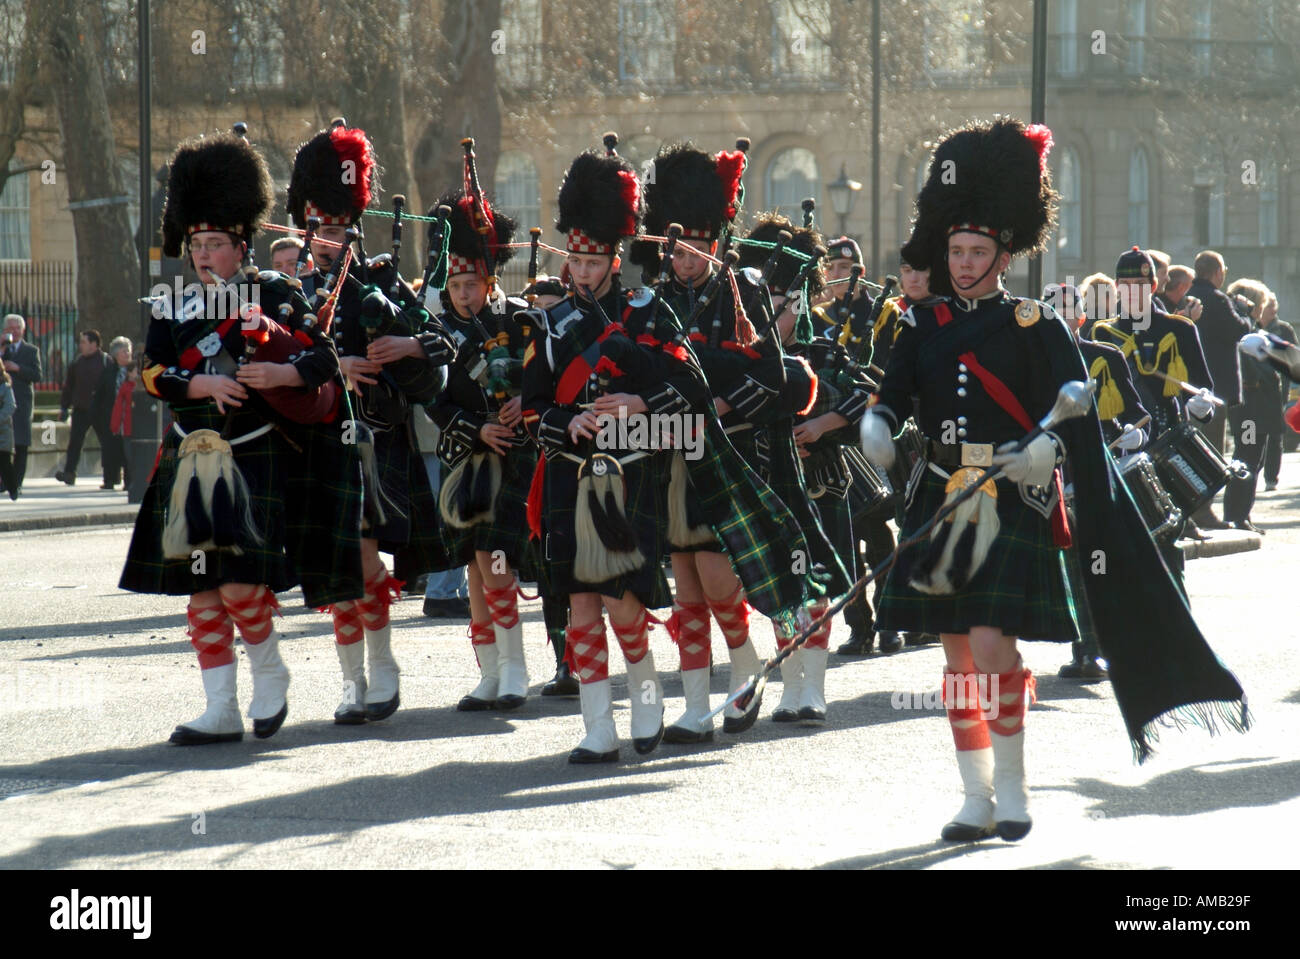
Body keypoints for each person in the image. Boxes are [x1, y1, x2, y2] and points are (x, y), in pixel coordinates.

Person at [859, 117, 1247, 843]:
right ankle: (975, 795)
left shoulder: (1036, 325)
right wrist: (878, 425)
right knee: (956, 656)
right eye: (956, 250)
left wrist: (1047, 449)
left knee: (991, 644)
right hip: (942, 494)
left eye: (977, 251)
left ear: (1004, 254)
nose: (965, 262)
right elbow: (893, 394)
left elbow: (1074, 412)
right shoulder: (921, 324)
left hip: (1009, 498)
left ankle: (1013, 784)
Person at [120, 131, 360, 745]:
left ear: (241, 244)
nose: (203, 255)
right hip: (189, 453)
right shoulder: (171, 304)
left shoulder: (275, 294)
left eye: (215, 244)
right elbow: (151, 372)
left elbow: (323, 360)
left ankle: (269, 670)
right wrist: (197, 386)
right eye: (196, 243)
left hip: (252, 453)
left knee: (238, 583)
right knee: (201, 588)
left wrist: (279, 371)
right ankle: (220, 708)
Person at [522, 141, 714, 762]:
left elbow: (691, 390)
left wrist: (638, 405)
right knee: (579, 607)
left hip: (629, 479)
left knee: (621, 604)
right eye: (573, 258)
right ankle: (596, 727)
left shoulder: (647, 312)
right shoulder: (548, 325)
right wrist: (566, 421)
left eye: (592, 258)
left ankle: (648, 697)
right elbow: (532, 409)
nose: (580, 270)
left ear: (612, 256)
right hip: (568, 481)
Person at [631, 141, 822, 739]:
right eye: (674, 245)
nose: (683, 258)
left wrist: (717, 400)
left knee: (718, 582)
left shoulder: (745, 290)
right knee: (685, 585)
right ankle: (695, 703)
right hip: (673, 457)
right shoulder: (653, 298)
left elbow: (774, 372)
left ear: (714, 240)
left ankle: (744, 669)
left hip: (734, 452)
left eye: (693, 246)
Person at [288, 120, 453, 725]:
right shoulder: (290, 291)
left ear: (352, 229)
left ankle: (382, 668)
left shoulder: (379, 282)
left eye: (337, 229)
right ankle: (351, 680)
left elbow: (441, 348)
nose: (328, 241)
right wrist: (337, 364)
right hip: (314, 440)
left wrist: (404, 350)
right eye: (318, 230)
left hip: (373, 440)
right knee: (336, 567)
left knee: (361, 560)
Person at [423, 186, 539, 711]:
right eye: (454, 283)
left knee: (496, 562)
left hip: (511, 460)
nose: (462, 293)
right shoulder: (436, 330)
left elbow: (546, 380)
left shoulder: (517, 319)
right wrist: (475, 429)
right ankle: (488, 672)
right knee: (473, 565)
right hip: (465, 458)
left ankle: (515, 670)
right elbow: (433, 402)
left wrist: (523, 403)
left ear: (491, 281)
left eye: (472, 283)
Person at [1187, 251, 1250, 530]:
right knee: (1211, 450)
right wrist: (1244, 311)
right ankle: (1203, 510)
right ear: (1217, 273)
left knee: (1194, 448)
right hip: (1216, 388)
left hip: (1192, 386)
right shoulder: (1218, 299)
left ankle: (1195, 508)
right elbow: (1240, 331)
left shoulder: (1188, 296)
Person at [1222, 279, 1280, 532]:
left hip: (1258, 409)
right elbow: (1250, 370)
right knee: (1246, 458)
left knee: (1253, 459)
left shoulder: (1251, 329)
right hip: (1250, 409)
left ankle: (1241, 513)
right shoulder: (1244, 332)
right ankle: (1237, 513)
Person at [55, 329, 114, 486]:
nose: (80, 345)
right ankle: (69, 473)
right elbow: (69, 387)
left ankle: (110, 477)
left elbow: (111, 388)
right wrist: (64, 407)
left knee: (107, 443)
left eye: (83, 342)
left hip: (101, 411)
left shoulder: (106, 361)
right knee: (75, 442)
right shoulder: (77, 363)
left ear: (94, 344)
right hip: (81, 409)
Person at [1258, 293, 1296, 486]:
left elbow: (1294, 356)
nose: (1273, 309)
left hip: (1278, 388)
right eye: (1269, 305)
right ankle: (1252, 470)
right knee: (1253, 433)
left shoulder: (1283, 329)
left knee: (1275, 434)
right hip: (1254, 389)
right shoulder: (1251, 327)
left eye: (1274, 305)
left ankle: (1271, 477)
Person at [1, 313, 40, 496]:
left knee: (22, 443)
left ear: (23, 330)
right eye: (10, 328)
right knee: (5, 445)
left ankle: (17, 482)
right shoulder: (2, 348)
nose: (14, 332)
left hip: (23, 402)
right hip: (4, 402)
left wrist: (17, 368)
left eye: (17, 328)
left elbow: (37, 375)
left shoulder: (31, 350)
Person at [99, 337, 133, 490]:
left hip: (129, 417)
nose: (127, 354)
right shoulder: (108, 372)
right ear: (115, 354)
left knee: (128, 450)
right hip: (112, 416)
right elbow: (101, 394)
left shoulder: (134, 371)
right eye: (123, 351)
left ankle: (129, 481)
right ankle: (110, 479)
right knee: (110, 449)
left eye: (128, 350)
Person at [0, 365, 17, 499]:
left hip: (3, 432)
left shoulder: (5, 387)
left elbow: (10, 406)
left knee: (5, 463)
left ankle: (12, 488)